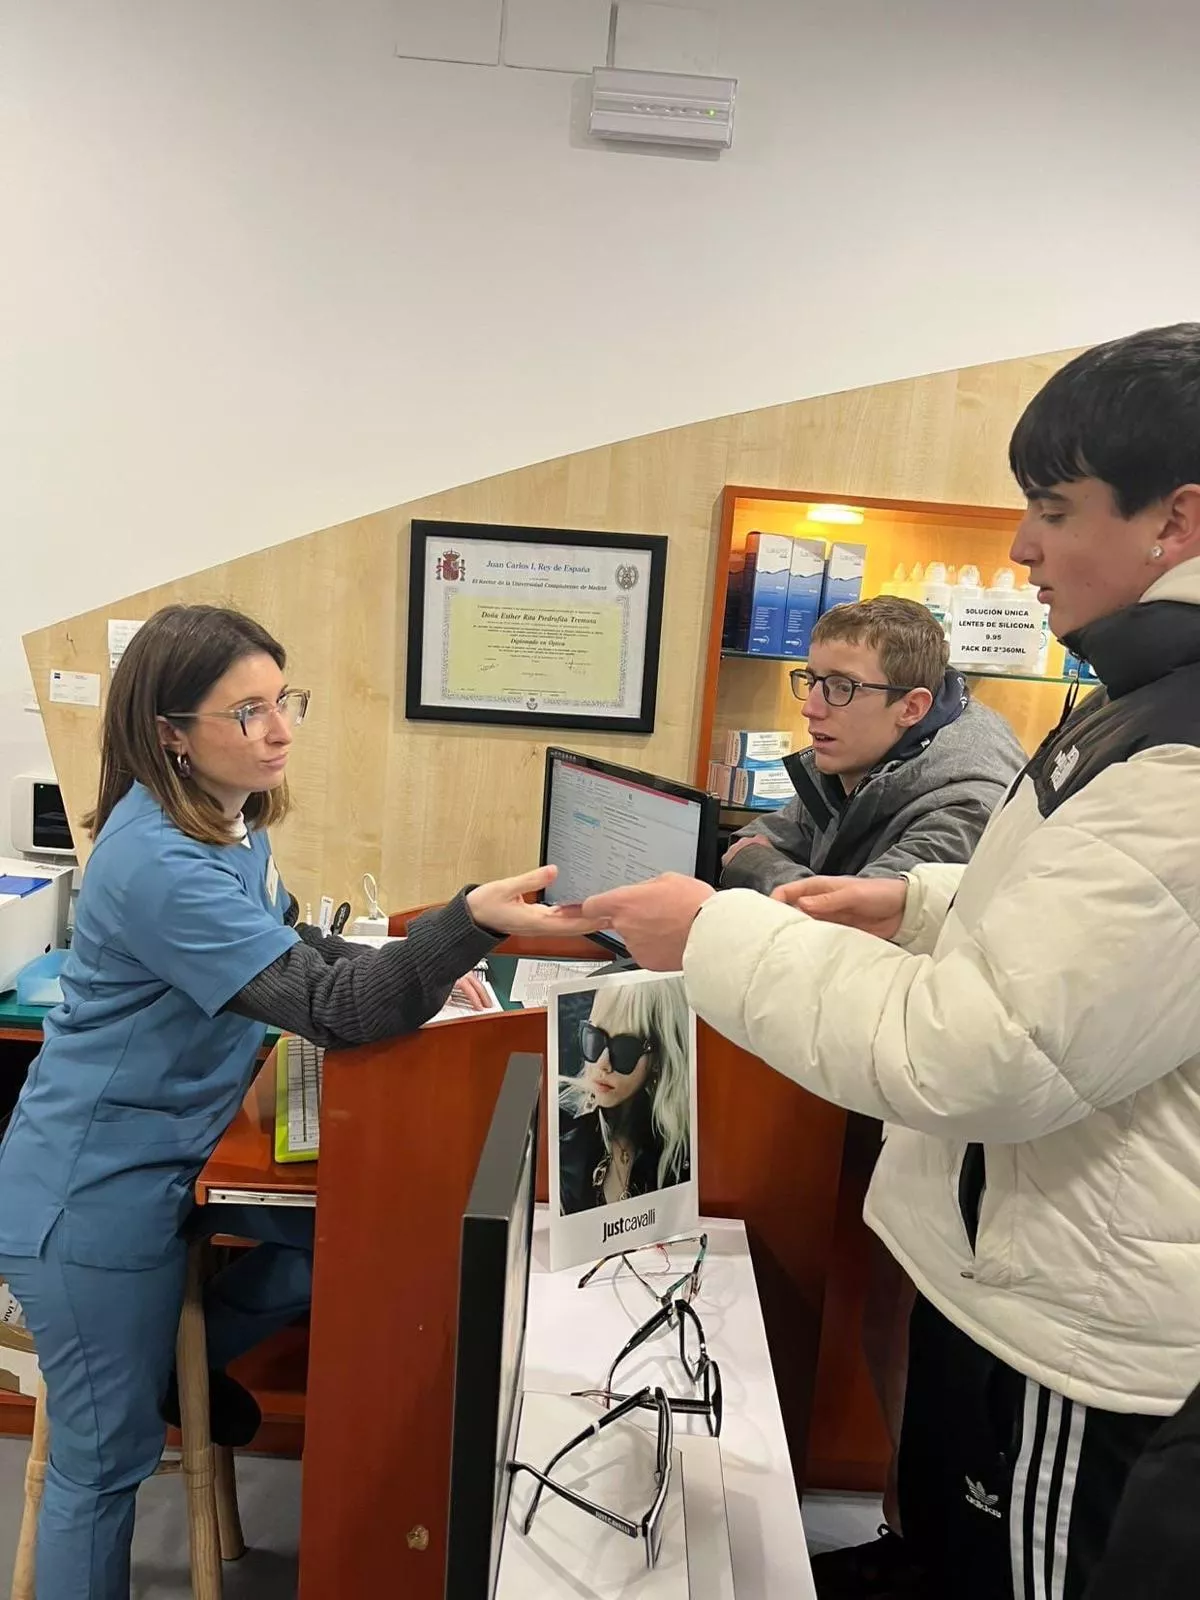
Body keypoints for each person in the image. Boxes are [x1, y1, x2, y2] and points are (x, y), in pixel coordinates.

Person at [582, 323, 1200, 1599]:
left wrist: (714, 933)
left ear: (1176, 521)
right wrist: (913, 904)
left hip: (1081, 1312)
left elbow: (985, 1047)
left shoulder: (1183, 750)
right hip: (1021, 1269)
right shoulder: (1142, 696)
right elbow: (1093, 924)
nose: (1021, 547)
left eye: (1054, 510)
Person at [0, 604, 589, 1600]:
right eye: (248, 712)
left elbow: (295, 944)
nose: (280, 730)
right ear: (170, 734)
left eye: (285, 701)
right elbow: (335, 1011)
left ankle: (171, 1371)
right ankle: (150, 1385)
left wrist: (412, 965)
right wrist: (465, 924)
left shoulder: (228, 821)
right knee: (103, 1470)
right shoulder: (158, 864)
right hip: (91, 1191)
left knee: (350, 1239)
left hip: (174, 1159)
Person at [721, 596, 1025, 895]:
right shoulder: (861, 758)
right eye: (812, 680)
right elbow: (751, 842)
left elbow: (851, 914)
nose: (810, 708)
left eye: (843, 687)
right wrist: (757, 860)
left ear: (912, 708)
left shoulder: (963, 810)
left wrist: (758, 865)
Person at [557, 976, 691, 1214]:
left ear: (658, 1058)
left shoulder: (678, 1149)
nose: (603, 1063)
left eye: (624, 1049)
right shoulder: (561, 1130)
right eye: (594, 1038)